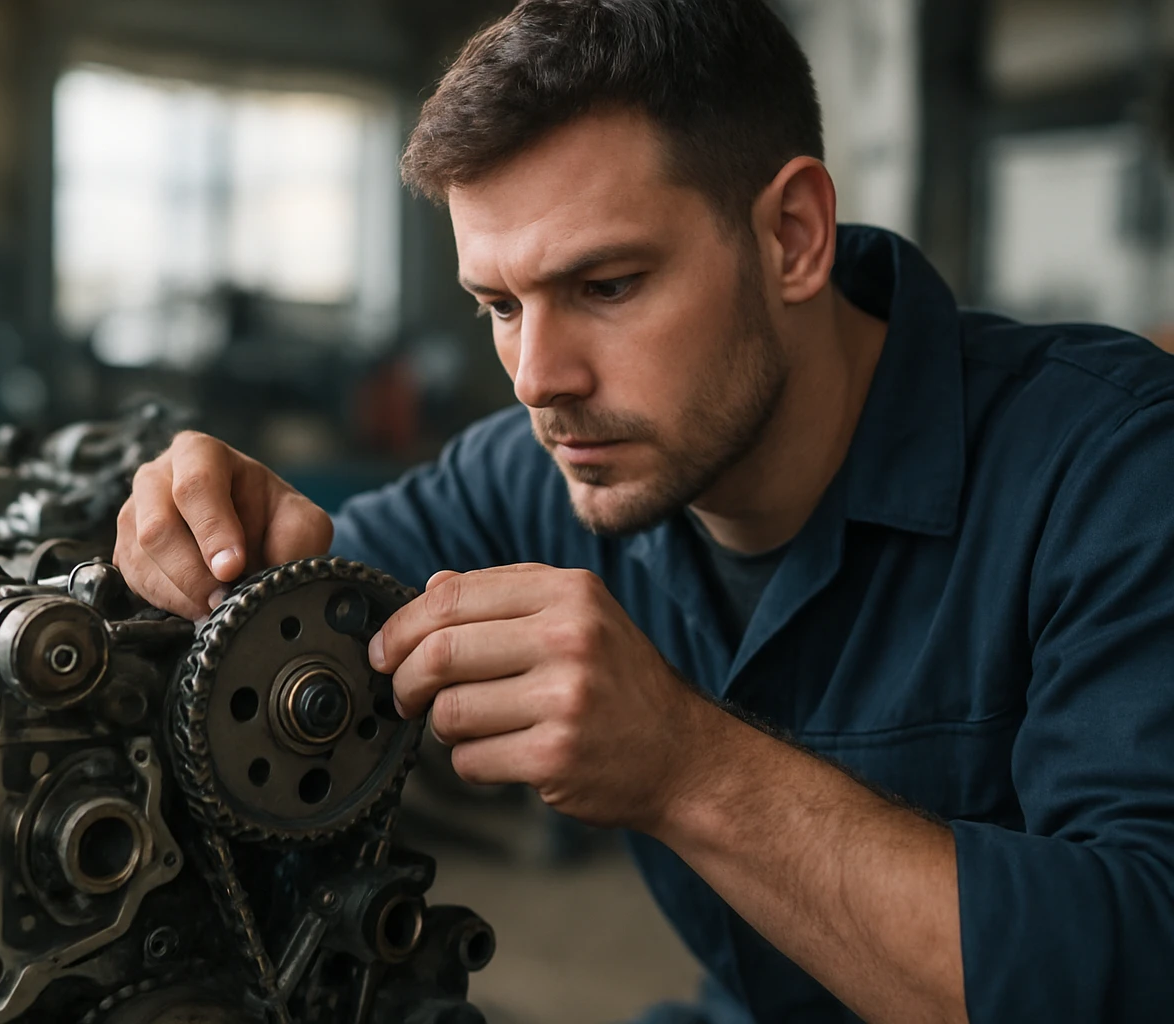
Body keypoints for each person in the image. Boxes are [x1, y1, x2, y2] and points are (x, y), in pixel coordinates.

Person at [112, 1, 1174, 1021]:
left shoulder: (1114, 469)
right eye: (499, 305)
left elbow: (1143, 968)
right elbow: (256, 628)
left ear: (794, 236)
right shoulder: (528, 477)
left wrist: (686, 765)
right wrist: (194, 548)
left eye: (608, 285)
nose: (536, 376)